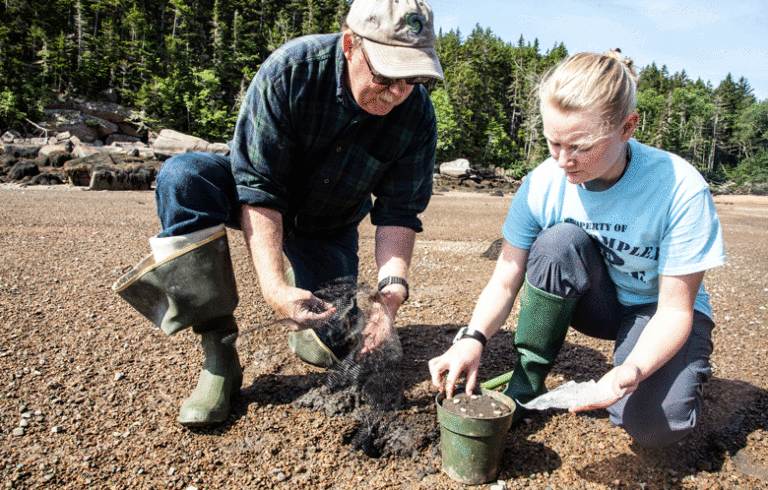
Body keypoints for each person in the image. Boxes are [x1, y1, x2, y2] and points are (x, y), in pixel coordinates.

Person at [112, 0, 443, 427]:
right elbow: (260, 187)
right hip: (259, 198)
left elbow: (400, 212)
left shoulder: (415, 115)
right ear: (349, 44)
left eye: (414, 78)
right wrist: (270, 288)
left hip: (328, 224)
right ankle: (219, 352)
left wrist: (389, 299)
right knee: (183, 176)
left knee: (331, 346)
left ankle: (300, 282)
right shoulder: (292, 71)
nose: (399, 91)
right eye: (387, 74)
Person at [428, 50, 726, 448]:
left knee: (654, 425)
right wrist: (472, 337)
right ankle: (528, 382)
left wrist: (633, 369)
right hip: (596, 303)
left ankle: (674, 372)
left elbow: (675, 310)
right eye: (553, 143)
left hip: (657, 311)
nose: (564, 161)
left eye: (581, 147)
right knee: (557, 243)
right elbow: (505, 277)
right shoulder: (542, 183)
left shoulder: (679, 188)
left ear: (627, 128)